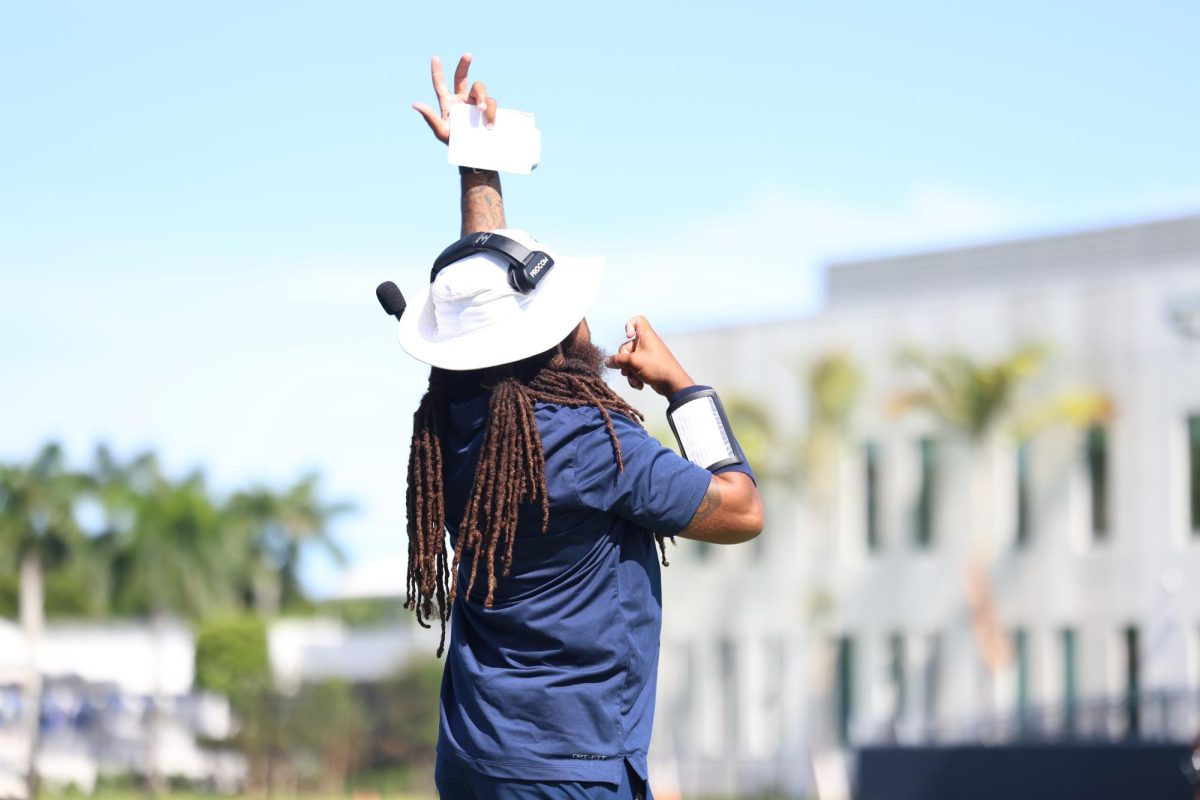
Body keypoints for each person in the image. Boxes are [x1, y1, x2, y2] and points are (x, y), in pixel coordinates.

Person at [399, 53, 764, 800]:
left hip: (474, 763)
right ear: (553, 337)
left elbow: (481, 307)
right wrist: (683, 388)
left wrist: (477, 164)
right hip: (569, 773)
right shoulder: (595, 444)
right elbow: (740, 511)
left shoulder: (458, 420)